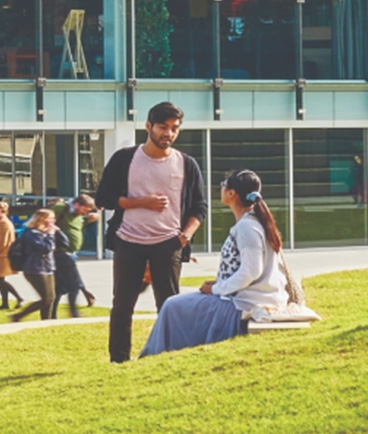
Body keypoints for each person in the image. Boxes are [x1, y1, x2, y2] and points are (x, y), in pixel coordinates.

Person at [96, 101, 208, 363]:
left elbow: (199, 207)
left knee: (168, 304)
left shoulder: (186, 164)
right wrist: (139, 203)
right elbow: (103, 197)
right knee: (122, 304)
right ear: (148, 126)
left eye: (174, 129)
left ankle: (167, 354)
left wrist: (184, 237)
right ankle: (119, 360)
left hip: (169, 244)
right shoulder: (125, 158)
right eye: (162, 127)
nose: (168, 133)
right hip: (128, 241)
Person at [141, 169, 287, 357]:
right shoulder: (254, 223)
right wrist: (219, 284)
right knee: (176, 305)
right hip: (239, 297)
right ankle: (158, 353)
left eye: (223, 186)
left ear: (231, 194)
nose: (221, 189)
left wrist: (217, 289)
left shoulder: (247, 227)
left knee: (172, 306)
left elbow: (251, 271)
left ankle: (154, 355)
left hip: (242, 304)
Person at [52, 195, 99, 318]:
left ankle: (52, 315)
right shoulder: (61, 208)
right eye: (85, 209)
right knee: (74, 286)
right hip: (62, 253)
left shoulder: (77, 216)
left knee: (59, 287)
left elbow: (75, 225)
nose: (86, 212)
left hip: (70, 253)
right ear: (77, 204)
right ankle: (74, 313)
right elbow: (44, 219)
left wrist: (88, 219)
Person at [11, 209, 61, 321]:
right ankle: (18, 316)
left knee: (51, 298)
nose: (53, 221)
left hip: (48, 268)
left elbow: (65, 242)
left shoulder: (45, 233)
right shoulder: (32, 234)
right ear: (42, 220)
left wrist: (57, 232)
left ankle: (45, 320)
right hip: (35, 269)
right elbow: (45, 248)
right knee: (45, 299)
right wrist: (51, 235)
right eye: (51, 219)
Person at [0, 201, 23, 310]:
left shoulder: (3, 223)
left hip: (2, 255)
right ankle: (5, 303)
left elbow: (2, 242)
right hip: (0, 255)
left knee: (0, 279)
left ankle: (19, 298)